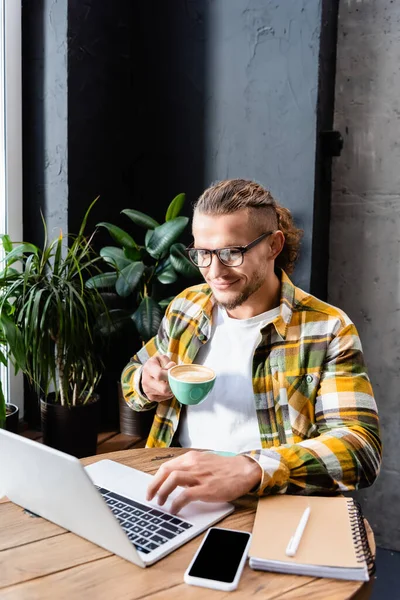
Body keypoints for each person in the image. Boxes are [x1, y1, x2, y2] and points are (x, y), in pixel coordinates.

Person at [121, 179, 382, 514]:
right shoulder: (187, 307)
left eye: (232, 252)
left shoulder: (327, 328)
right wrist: (145, 380)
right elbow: (132, 377)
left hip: (273, 506)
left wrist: (255, 468)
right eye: (203, 253)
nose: (214, 271)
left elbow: (361, 448)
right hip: (176, 496)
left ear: (273, 245)